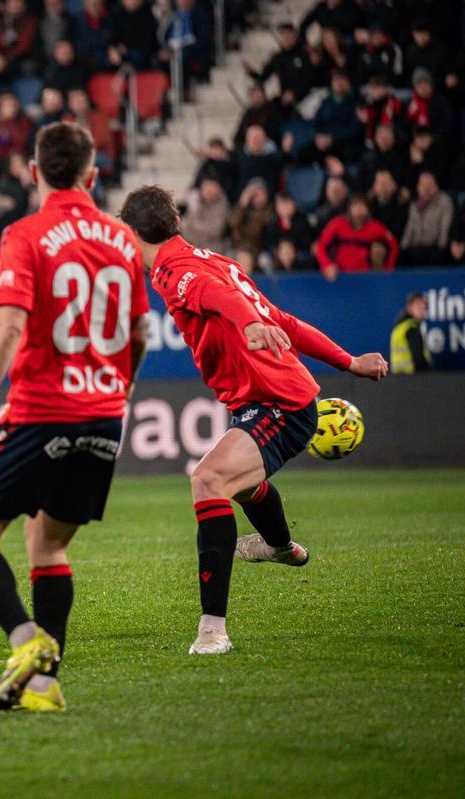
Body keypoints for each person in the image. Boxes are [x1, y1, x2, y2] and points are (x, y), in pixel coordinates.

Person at [119, 185, 388, 656]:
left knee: (207, 480)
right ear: (176, 221)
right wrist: (349, 362)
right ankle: (281, 547)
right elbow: (283, 319)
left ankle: (212, 630)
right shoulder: (217, 260)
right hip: (264, 399)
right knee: (241, 485)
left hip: (280, 404)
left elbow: (218, 299)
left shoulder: (172, 272)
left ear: (131, 234)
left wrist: (246, 324)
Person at [0, 122, 150, 713]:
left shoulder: (27, 233)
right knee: (50, 546)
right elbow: (137, 334)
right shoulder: (122, 239)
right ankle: (44, 685)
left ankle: (23, 641)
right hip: (104, 415)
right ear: (93, 175)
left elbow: (9, 325)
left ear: (33, 173)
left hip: (40, 413)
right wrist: (121, 391)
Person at [313, 194, 398, 280]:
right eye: (355, 206)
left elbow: (393, 245)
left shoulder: (376, 227)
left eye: (362, 206)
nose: (359, 209)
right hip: (339, 274)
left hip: (365, 275)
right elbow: (320, 245)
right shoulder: (338, 223)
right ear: (349, 209)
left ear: (368, 210)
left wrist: (389, 269)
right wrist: (327, 266)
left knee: (378, 248)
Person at [390, 292, 431, 374]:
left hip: (397, 378)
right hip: (412, 378)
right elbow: (418, 359)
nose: (422, 311)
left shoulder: (399, 327)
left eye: (424, 308)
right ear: (409, 307)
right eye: (418, 306)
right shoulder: (411, 329)